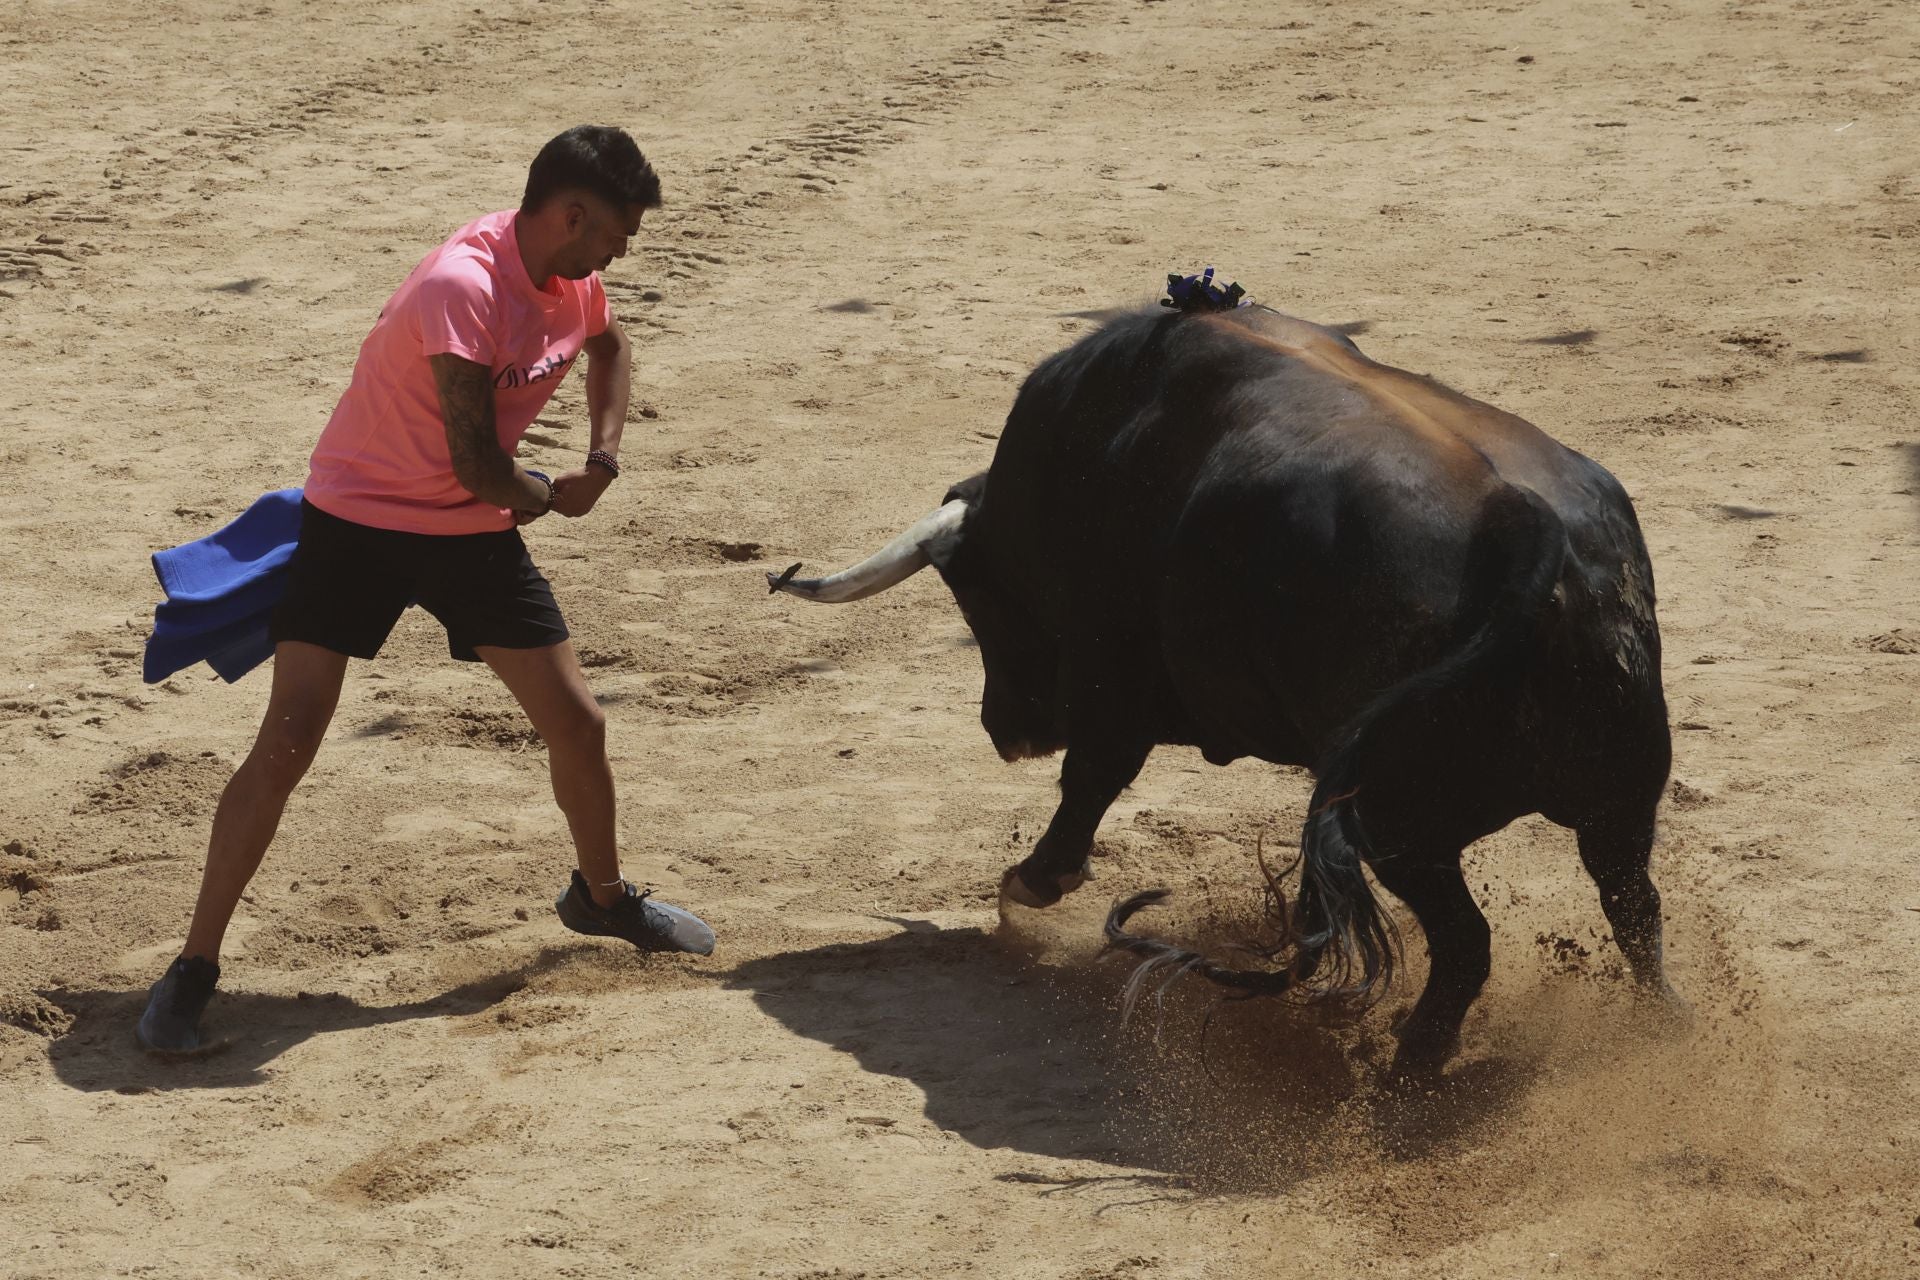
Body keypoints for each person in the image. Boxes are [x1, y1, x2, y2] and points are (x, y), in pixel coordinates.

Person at [137, 125, 714, 1056]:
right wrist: (547, 501)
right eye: (615, 230)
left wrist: (602, 459)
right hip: (359, 524)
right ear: (570, 214)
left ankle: (600, 899)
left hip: (468, 536)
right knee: (287, 741)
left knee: (579, 723)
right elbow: (479, 462)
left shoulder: (573, 282)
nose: (623, 248)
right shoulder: (464, 286)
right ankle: (193, 966)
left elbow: (611, 351)